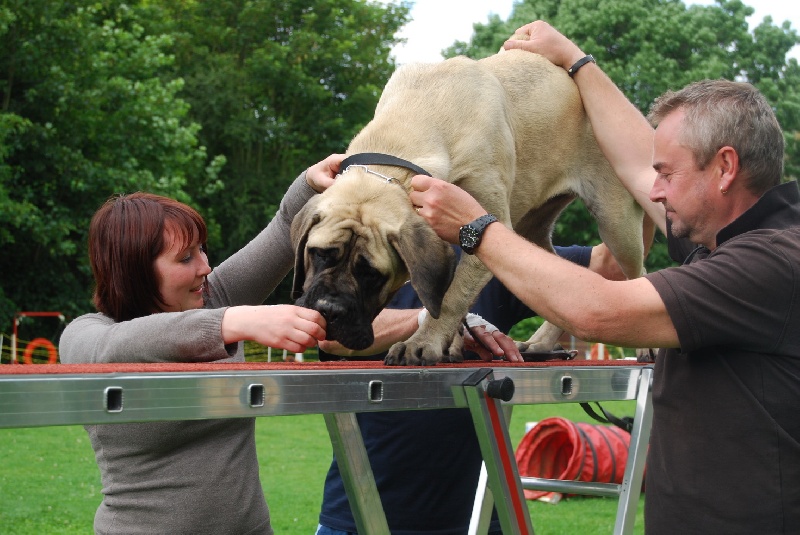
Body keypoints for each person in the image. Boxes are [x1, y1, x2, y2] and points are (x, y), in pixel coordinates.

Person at [408, 20, 800, 534]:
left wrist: (477, 228)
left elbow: (597, 311)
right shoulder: (725, 239)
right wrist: (574, 60)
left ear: (724, 168)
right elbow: (636, 164)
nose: (653, 193)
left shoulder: (771, 262)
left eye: (670, 174)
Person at [58, 154, 343, 534]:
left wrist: (310, 182)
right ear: (135, 270)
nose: (205, 267)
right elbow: (112, 347)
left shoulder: (211, 297)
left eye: (202, 250)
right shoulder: (86, 334)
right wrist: (236, 320)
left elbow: (284, 230)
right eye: (186, 258)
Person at [315, 243, 636, 534]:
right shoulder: (363, 254)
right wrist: (437, 319)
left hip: (481, 518)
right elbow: (327, 330)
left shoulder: (488, 254)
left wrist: (633, 180)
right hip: (358, 518)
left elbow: (612, 266)